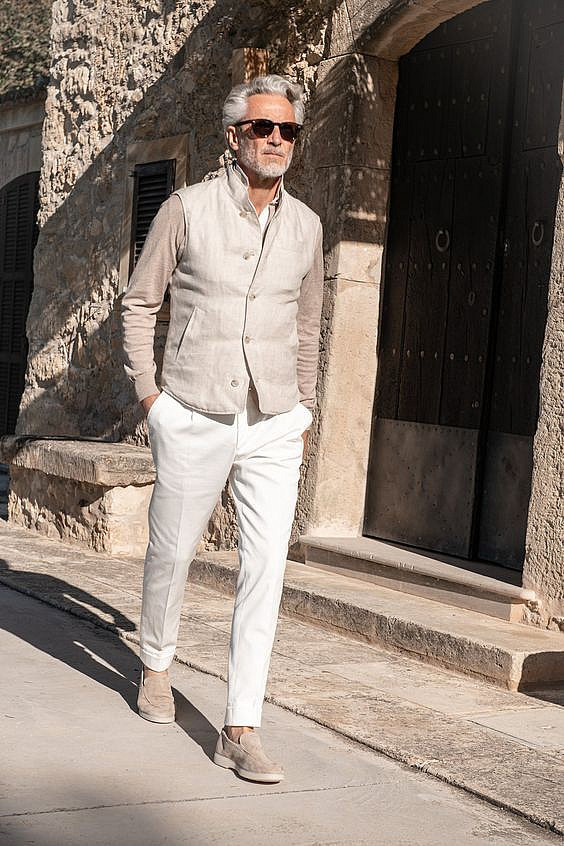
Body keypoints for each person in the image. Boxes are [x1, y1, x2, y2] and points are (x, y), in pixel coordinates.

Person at [121, 74, 323, 783]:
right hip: (192, 410)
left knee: (265, 570)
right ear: (235, 135)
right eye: (264, 128)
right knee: (172, 552)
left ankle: (241, 727)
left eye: (288, 130)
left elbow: (307, 324)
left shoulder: (307, 226)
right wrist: (151, 398)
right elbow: (140, 302)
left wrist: (305, 408)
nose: (276, 140)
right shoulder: (185, 209)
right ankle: (155, 664)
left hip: (274, 420)